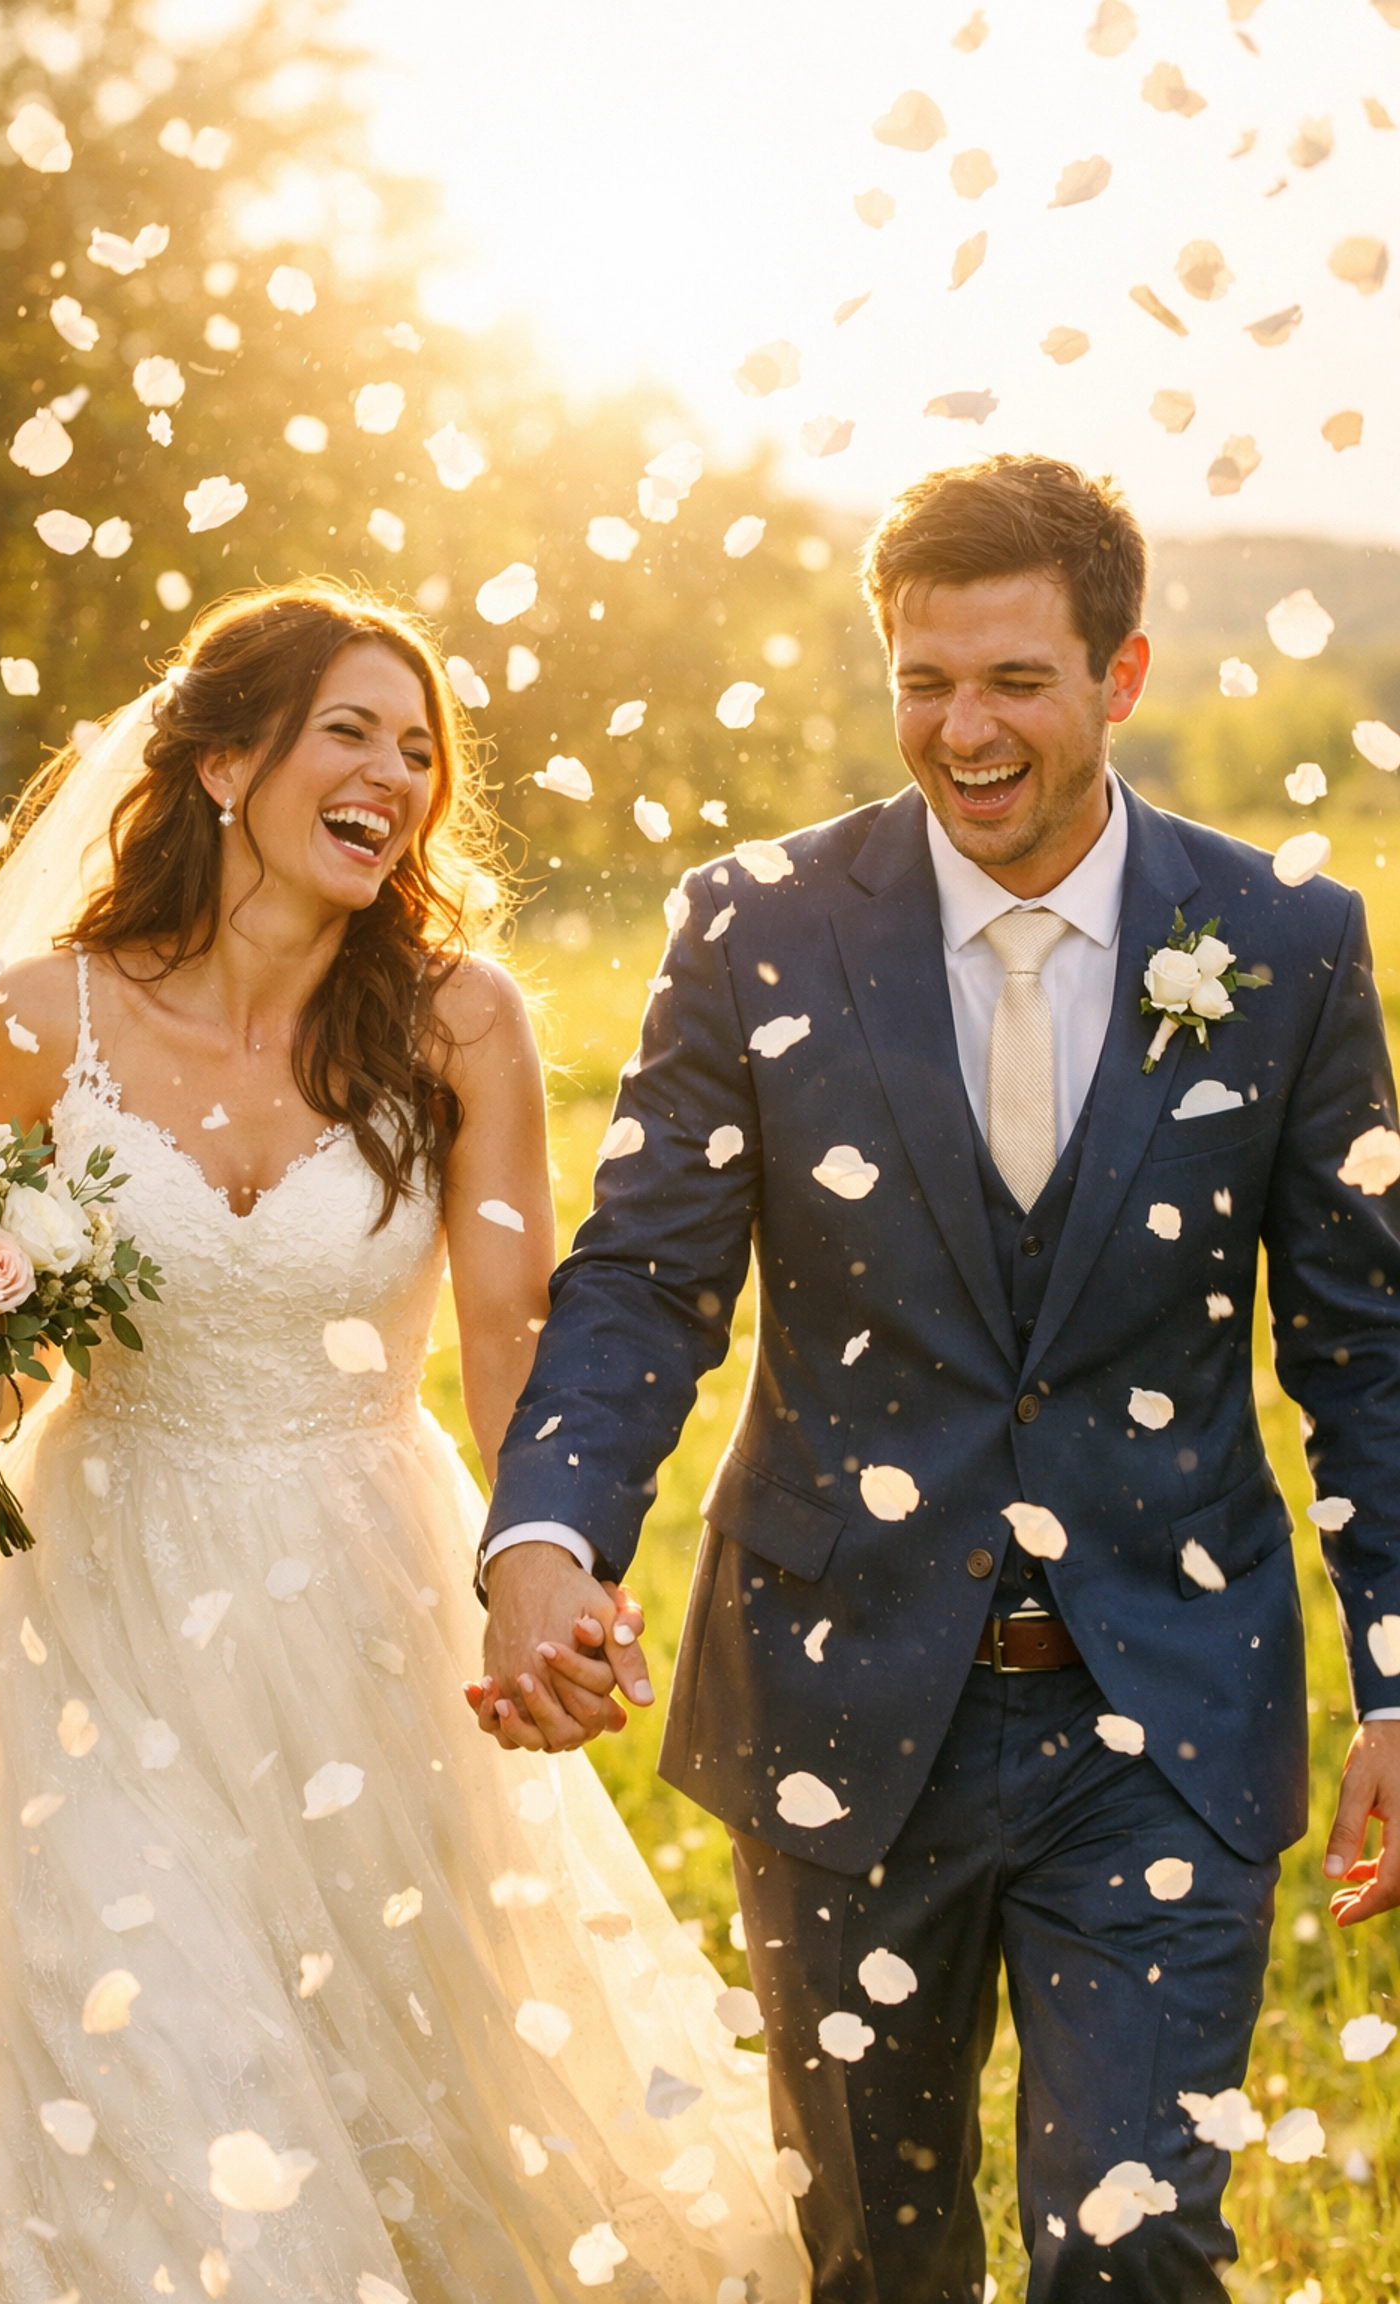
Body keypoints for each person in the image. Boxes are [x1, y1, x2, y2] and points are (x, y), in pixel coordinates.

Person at [474, 458, 1400, 2303]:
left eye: (1015, 683)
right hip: (837, 1705)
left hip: (1162, 1726)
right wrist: (546, 1537)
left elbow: (1365, 1345)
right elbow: (649, 1276)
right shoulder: (758, 925)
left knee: (1137, 2254)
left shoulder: (1286, 947)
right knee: (880, 2257)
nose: (960, 731)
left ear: (1123, 675)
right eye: (922, 681)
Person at [0, 582, 806, 2303]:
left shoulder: (461, 1020)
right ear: (230, 761)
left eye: (423, 749)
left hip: (366, 1609)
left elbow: (518, 1349)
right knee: (156, 2075)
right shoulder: (39, 1023)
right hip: (101, 1629)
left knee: (412, 2088)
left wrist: (556, 1574)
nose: (399, 774)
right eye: (351, 732)